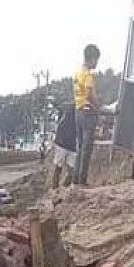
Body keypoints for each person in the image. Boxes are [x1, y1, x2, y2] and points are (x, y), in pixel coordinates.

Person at [74, 44, 101, 186]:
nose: (97, 63)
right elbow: (90, 94)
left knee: (80, 148)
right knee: (86, 149)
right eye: (97, 60)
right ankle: (82, 181)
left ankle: (76, 179)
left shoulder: (78, 72)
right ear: (92, 58)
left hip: (78, 112)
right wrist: (98, 106)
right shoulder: (88, 75)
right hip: (87, 113)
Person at [52, 103, 78, 189]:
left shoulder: (65, 113)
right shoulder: (73, 112)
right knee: (62, 168)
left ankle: (58, 188)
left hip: (67, 145)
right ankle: (57, 188)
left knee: (63, 168)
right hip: (65, 145)